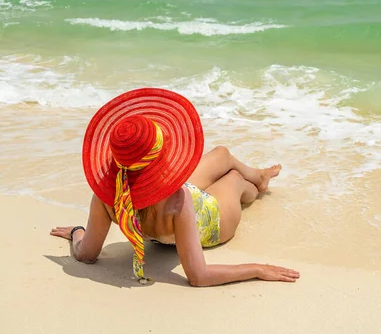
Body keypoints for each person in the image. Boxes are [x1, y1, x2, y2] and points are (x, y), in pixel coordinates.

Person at [51, 88, 300, 287]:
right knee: (234, 179)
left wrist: (77, 232)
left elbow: (85, 255)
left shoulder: (107, 194)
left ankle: (260, 175)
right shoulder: (177, 200)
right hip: (211, 220)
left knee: (222, 154)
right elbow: (199, 276)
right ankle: (256, 186)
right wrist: (257, 269)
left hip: (163, 196)